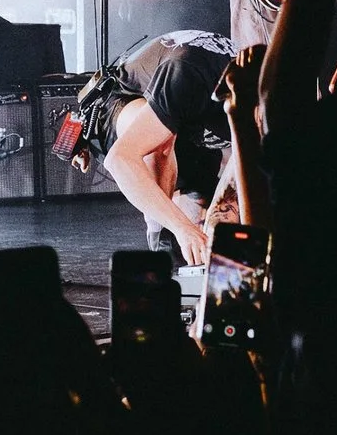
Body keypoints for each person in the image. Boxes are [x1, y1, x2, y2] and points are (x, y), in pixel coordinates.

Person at [83, 28, 238, 264]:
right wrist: (182, 228)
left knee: (211, 235)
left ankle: (181, 237)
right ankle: (158, 242)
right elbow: (120, 159)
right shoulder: (187, 74)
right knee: (160, 145)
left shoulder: (267, 110)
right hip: (118, 104)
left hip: (189, 125)